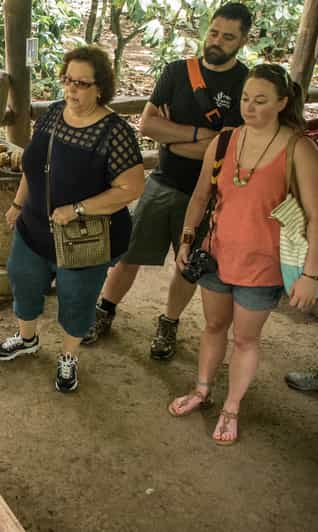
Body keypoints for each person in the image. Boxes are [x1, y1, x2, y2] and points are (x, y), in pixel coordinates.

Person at [83, 2, 252, 361]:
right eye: (214, 32)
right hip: (164, 181)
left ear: (243, 40)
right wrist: (198, 135)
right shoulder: (177, 72)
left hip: (211, 195)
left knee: (186, 265)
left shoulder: (245, 84)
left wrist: (174, 137)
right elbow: (147, 126)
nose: (217, 41)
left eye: (228, 37)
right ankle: (105, 310)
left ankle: (169, 323)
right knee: (129, 254)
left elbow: (225, 149)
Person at [167, 64, 318, 445]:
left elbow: (316, 215)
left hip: (263, 263)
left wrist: (311, 275)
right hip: (216, 252)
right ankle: (202, 390)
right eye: (246, 99)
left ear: (283, 102)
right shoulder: (226, 140)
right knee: (214, 326)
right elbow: (201, 196)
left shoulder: (298, 147)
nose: (249, 107)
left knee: (246, 339)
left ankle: (231, 407)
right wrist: (187, 239)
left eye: (261, 101)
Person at [0, 46, 144, 392]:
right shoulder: (53, 114)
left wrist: (79, 209)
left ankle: (68, 356)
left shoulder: (114, 132)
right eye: (67, 80)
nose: (72, 89)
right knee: (24, 281)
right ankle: (27, 338)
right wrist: (18, 204)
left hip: (82, 236)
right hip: (34, 226)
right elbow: (34, 166)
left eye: (81, 83)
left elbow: (132, 187)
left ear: (100, 87)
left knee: (76, 296)